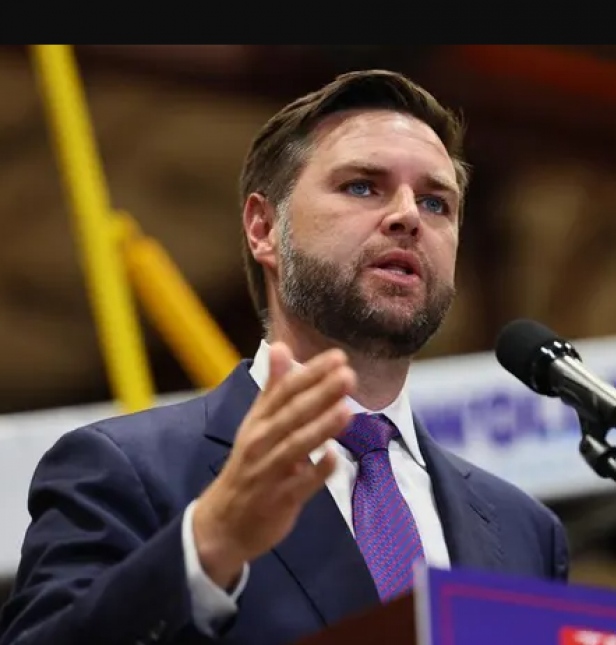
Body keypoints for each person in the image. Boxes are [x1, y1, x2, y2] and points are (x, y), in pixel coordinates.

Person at [0, 69, 569, 645]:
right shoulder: (124, 469)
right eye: (362, 187)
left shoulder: (526, 530)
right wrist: (209, 544)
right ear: (264, 228)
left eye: (435, 202)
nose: (408, 216)